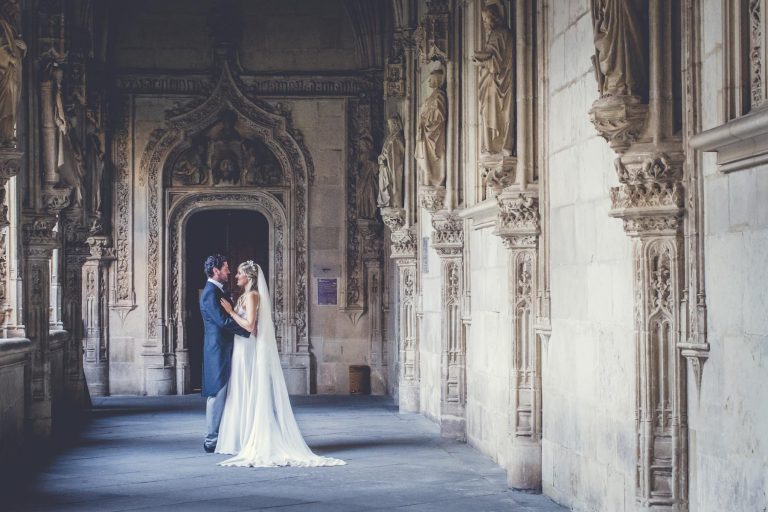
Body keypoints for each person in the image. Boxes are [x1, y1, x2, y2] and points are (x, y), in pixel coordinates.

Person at [216, 260, 345, 468]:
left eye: (239, 273)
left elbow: (250, 326)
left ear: (248, 277)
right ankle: (242, 437)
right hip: (240, 350)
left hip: (248, 350)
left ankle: (256, 437)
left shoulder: (253, 296)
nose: (236, 276)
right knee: (241, 389)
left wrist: (231, 313)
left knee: (251, 390)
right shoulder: (242, 297)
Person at [199, 254, 251, 453]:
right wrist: (248, 331)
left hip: (226, 348)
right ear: (216, 271)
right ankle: (210, 440)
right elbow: (223, 322)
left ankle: (225, 436)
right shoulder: (211, 293)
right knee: (217, 393)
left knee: (227, 393)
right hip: (218, 350)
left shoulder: (218, 290)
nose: (229, 272)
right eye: (226, 268)